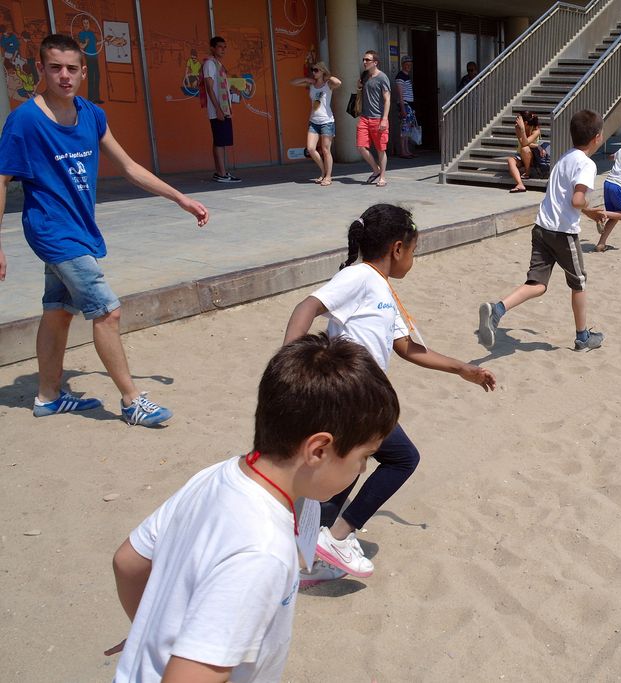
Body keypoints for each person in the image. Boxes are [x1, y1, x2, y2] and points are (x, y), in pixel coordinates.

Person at [108, 334, 399, 681]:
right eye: (363, 457)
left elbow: (128, 562)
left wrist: (153, 638)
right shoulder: (263, 551)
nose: (362, 470)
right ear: (318, 450)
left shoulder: (217, 474)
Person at [0, 34, 209, 427]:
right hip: (52, 231)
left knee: (59, 310)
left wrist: (179, 198)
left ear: (83, 72)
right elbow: (2, 178)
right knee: (107, 311)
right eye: (56, 67)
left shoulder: (91, 114)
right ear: (41, 69)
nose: (65, 76)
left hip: (79, 228)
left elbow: (129, 167)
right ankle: (132, 401)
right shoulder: (25, 120)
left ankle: (48, 395)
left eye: (72, 68)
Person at [283, 203, 496, 577]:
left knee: (347, 466)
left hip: (364, 397)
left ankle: (311, 550)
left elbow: (408, 348)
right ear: (398, 248)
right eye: (414, 251)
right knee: (401, 459)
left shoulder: (383, 290)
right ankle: (336, 536)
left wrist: (464, 369)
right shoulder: (361, 277)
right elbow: (307, 306)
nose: (413, 259)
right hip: (353, 393)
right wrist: (290, 364)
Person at [478, 109, 608, 352]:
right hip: (563, 233)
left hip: (541, 228)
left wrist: (587, 212)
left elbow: (565, 198)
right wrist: (588, 208)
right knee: (579, 283)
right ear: (597, 138)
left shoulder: (564, 159)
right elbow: (577, 199)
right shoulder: (586, 165)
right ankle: (582, 338)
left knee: (537, 284)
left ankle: (498, 310)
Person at [290, 61, 340, 186]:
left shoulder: (328, 85)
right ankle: (323, 171)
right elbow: (292, 82)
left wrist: (327, 76)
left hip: (327, 121)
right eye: (313, 70)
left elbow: (338, 82)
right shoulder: (311, 85)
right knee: (311, 148)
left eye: (316, 70)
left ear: (322, 71)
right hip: (314, 121)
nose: (314, 72)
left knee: (325, 150)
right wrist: (308, 79)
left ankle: (328, 176)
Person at [202, 36, 239, 183]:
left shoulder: (218, 65)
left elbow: (220, 86)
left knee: (220, 141)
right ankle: (222, 174)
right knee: (220, 142)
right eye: (220, 47)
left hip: (223, 108)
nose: (223, 50)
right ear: (212, 48)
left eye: (225, 47)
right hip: (218, 109)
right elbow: (209, 87)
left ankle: (220, 172)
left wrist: (232, 90)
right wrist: (217, 109)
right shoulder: (210, 64)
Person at [356, 50, 390, 187]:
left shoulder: (383, 77)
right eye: (363, 59)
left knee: (380, 149)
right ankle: (376, 170)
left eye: (367, 60)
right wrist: (358, 86)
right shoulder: (364, 76)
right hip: (364, 117)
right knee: (360, 147)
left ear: (375, 62)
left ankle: (382, 177)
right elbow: (359, 89)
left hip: (378, 118)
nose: (364, 62)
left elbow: (387, 99)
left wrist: (385, 119)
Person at [507, 111, 550, 193]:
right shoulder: (517, 127)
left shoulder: (536, 130)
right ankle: (520, 184)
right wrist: (537, 145)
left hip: (533, 156)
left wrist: (522, 129)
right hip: (521, 155)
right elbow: (523, 143)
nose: (516, 122)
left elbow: (525, 144)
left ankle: (527, 172)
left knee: (525, 149)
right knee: (510, 160)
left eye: (518, 120)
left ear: (525, 123)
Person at [394, 55, 417, 159]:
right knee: (404, 128)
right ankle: (403, 151)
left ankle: (407, 150)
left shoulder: (406, 76)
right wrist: (403, 109)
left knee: (408, 129)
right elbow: (400, 94)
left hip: (409, 105)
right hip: (405, 105)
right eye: (406, 64)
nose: (408, 66)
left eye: (410, 64)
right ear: (402, 65)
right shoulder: (400, 76)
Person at [76, 18, 103, 103]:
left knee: (97, 76)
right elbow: (82, 46)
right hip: (89, 57)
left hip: (95, 56)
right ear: (83, 24)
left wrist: (104, 41)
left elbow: (96, 43)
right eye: (84, 23)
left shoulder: (91, 33)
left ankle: (97, 98)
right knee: (91, 77)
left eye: (87, 22)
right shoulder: (81, 34)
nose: (86, 24)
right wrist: (86, 43)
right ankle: (91, 98)